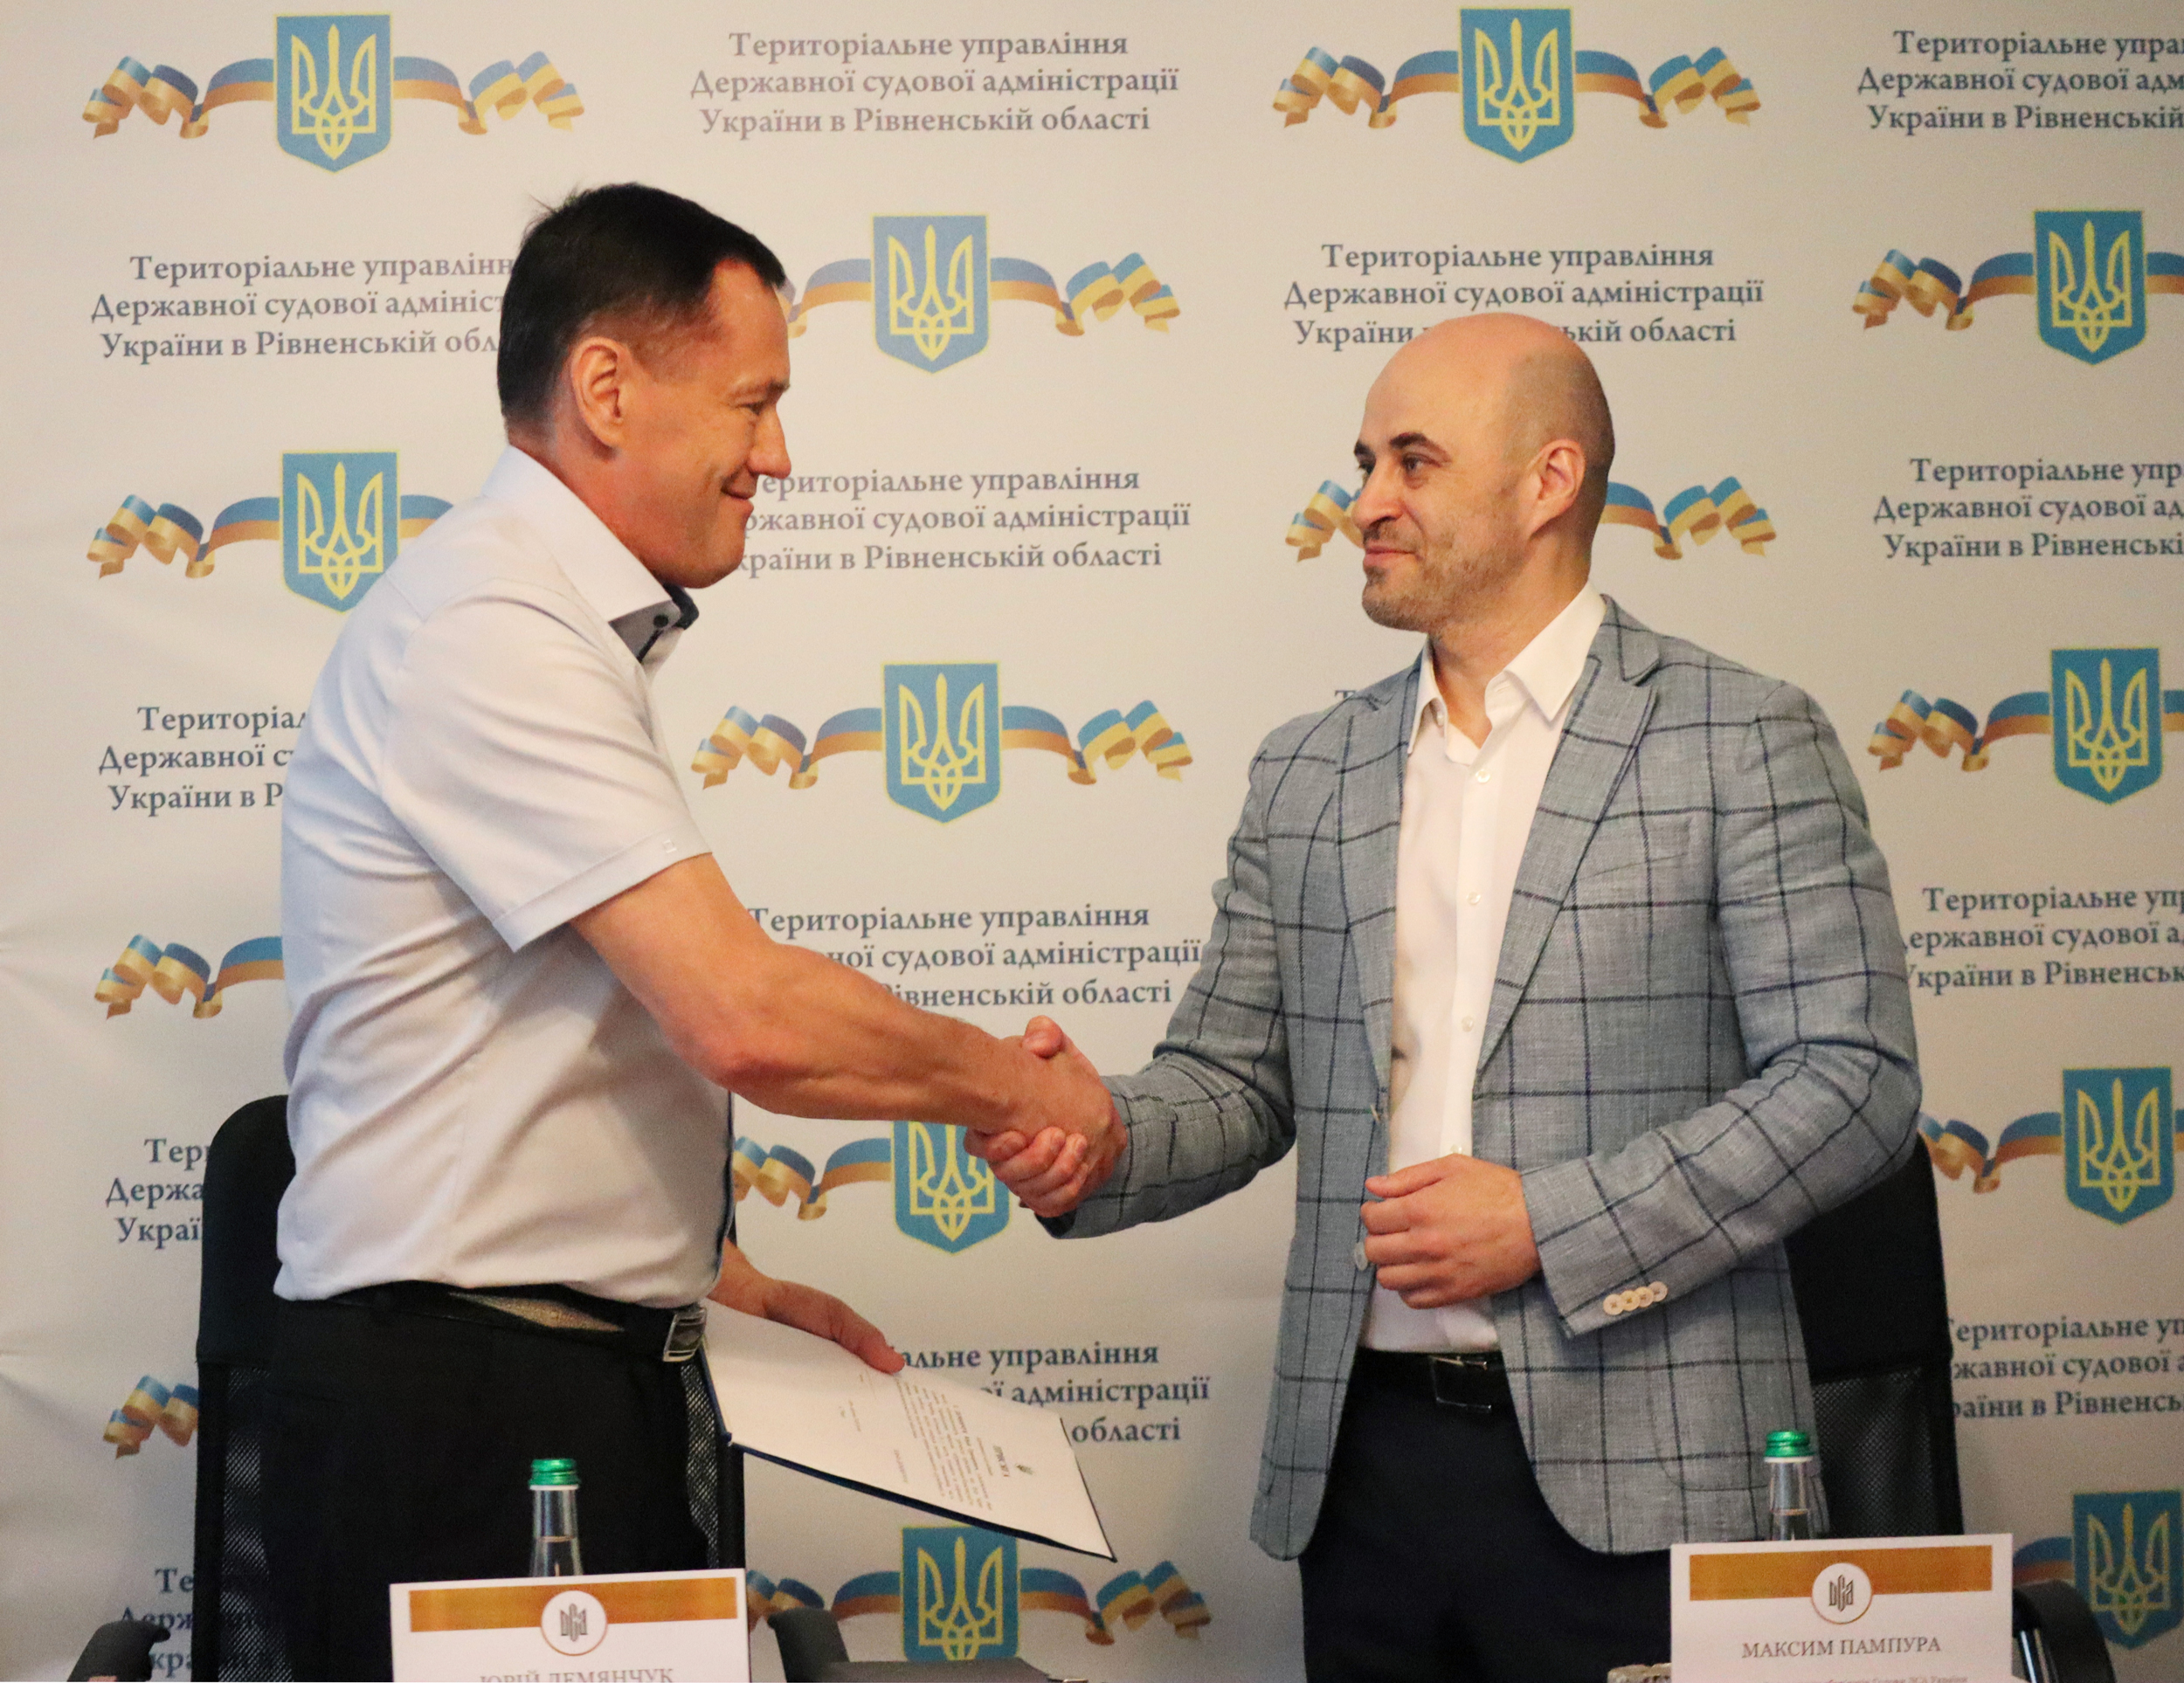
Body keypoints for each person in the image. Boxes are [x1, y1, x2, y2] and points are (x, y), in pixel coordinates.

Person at [979, 314, 1921, 1680]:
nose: (1366, 502)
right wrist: (1096, 1137)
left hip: (1650, 1481)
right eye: (1365, 463)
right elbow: (1237, 1082)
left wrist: (1551, 1223)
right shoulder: (1309, 769)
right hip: (1366, 1479)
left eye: (1412, 463)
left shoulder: (1742, 739)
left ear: (1549, 482)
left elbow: (1854, 1080)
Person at [268, 183, 1116, 1680]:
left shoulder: (534, 618)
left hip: (556, 1385)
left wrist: (692, 1270)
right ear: (607, 389)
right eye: (754, 402)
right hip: (470, 1423)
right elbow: (743, 1016)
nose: (777, 456)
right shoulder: (489, 626)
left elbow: (529, 1042)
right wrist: (1018, 1087)